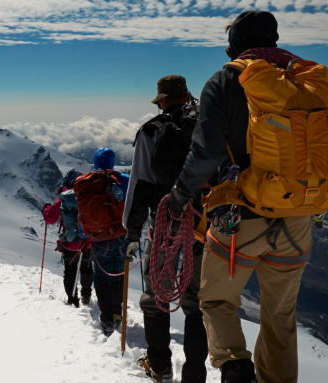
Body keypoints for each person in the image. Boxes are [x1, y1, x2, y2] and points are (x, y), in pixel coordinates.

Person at [164, 10, 328, 383]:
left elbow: (204, 153)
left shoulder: (225, 79)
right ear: (274, 39)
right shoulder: (308, 81)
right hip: (298, 217)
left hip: (239, 218)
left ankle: (236, 367)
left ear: (234, 45)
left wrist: (179, 195)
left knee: (217, 301)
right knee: (280, 315)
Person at [123, 75, 207, 383]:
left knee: (157, 293)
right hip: (204, 224)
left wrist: (131, 232)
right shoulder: (209, 125)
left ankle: (159, 365)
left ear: (161, 101)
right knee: (197, 302)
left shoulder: (151, 131)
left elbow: (139, 185)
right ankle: (194, 375)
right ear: (187, 96)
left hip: (166, 224)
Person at [74, 147, 129, 336]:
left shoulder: (86, 183)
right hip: (121, 236)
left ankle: (106, 318)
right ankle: (116, 312)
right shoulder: (123, 180)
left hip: (98, 238)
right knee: (119, 275)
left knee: (102, 277)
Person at [42, 170, 94, 307]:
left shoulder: (63, 198)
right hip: (87, 242)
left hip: (70, 243)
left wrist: (46, 208)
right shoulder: (89, 196)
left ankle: (72, 300)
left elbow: (50, 218)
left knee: (70, 272)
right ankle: (86, 295)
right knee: (87, 268)